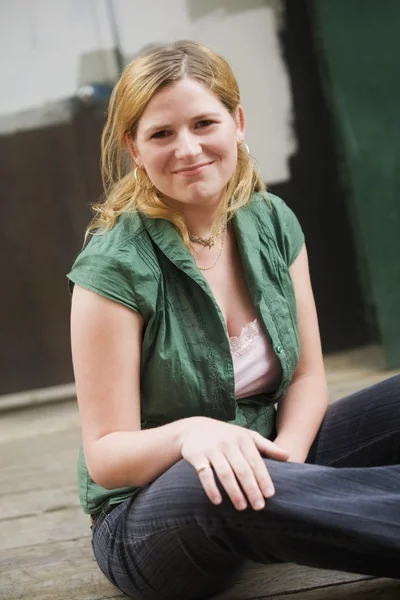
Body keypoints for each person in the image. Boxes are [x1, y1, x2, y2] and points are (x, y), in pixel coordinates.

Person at [67, 40, 400, 600]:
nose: (188, 148)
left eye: (204, 123)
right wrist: (192, 434)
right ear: (134, 147)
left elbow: (307, 378)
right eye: (162, 133)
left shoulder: (271, 220)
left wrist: (291, 460)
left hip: (270, 459)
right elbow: (106, 455)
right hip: (153, 519)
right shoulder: (112, 268)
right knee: (209, 482)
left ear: (238, 122)